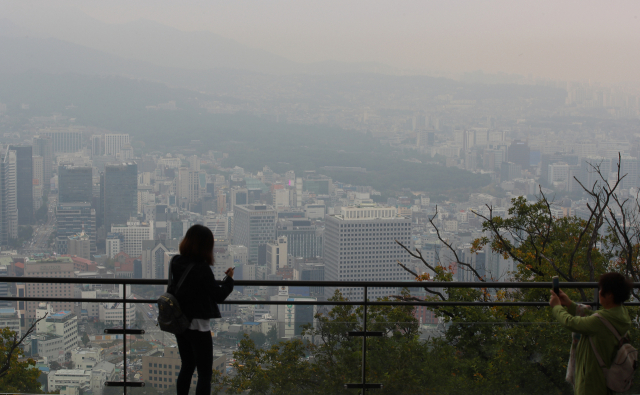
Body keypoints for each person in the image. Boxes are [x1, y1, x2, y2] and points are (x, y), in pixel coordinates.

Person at [169, 224, 234, 395]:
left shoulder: (175, 261)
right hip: (198, 325)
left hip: (180, 322)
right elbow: (218, 295)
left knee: (187, 366)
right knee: (205, 373)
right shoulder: (202, 268)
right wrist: (229, 281)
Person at [550, 272, 632, 395]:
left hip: (593, 382)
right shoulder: (621, 313)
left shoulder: (600, 321)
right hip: (608, 380)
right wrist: (570, 304)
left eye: (601, 290)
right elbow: (595, 319)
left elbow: (571, 323)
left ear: (609, 294)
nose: (598, 292)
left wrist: (556, 307)